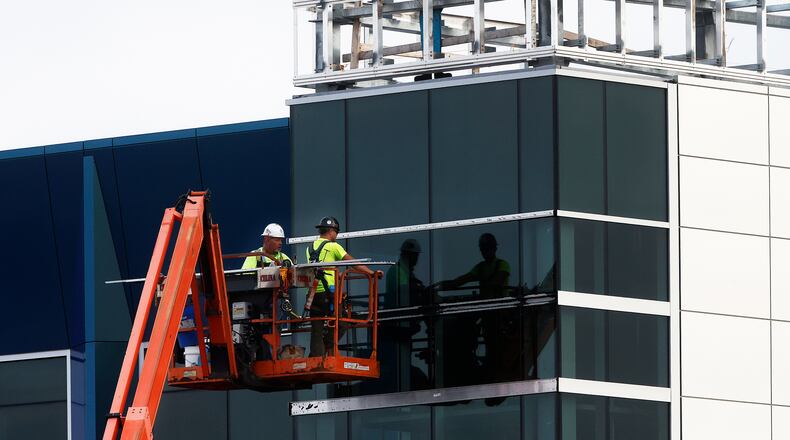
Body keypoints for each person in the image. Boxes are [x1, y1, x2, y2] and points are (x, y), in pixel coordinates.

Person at [307, 216, 375, 357]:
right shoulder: (334, 246)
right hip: (329, 294)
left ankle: (316, 357)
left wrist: (335, 275)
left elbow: (319, 267)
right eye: (336, 232)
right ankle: (328, 347)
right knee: (343, 322)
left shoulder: (310, 248)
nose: (336, 235)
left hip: (313, 294)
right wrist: (371, 273)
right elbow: (354, 263)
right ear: (331, 231)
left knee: (317, 328)